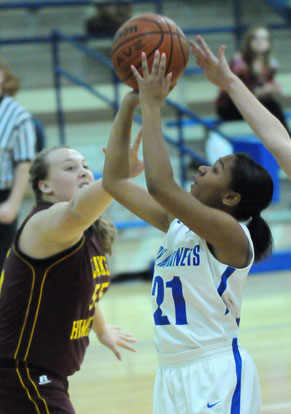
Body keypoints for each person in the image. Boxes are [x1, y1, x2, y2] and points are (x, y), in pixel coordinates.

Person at [102, 50, 274, 413]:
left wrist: (152, 107)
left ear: (231, 197)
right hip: (170, 372)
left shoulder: (231, 234)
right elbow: (115, 180)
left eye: (214, 170)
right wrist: (130, 104)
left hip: (215, 372)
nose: (200, 168)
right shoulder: (178, 226)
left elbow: (161, 186)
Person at [0, 142, 142, 413]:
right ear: (45, 187)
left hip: (41, 375)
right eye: (70, 167)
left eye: (86, 167)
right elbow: (77, 210)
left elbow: (78, 289)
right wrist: (115, 177)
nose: (83, 172)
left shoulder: (85, 232)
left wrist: (101, 329)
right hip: (19, 375)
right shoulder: (45, 222)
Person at [193, 35, 291, 183]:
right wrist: (230, 82)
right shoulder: (241, 60)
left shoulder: (269, 63)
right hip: (230, 107)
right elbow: (279, 140)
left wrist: (230, 82)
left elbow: (280, 140)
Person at [215, 25, 290, 135]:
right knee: (272, 106)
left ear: (269, 43)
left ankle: (285, 141)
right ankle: (287, 141)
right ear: (249, 41)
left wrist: (274, 89)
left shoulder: (270, 63)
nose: (260, 42)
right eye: (256, 38)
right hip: (231, 106)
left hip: (253, 104)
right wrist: (264, 91)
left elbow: (267, 86)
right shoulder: (239, 61)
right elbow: (239, 92)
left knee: (271, 107)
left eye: (264, 38)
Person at [0, 60, 37, 271]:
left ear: (3, 75)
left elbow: (24, 163)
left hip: (3, 195)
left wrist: (13, 204)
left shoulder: (18, 115)